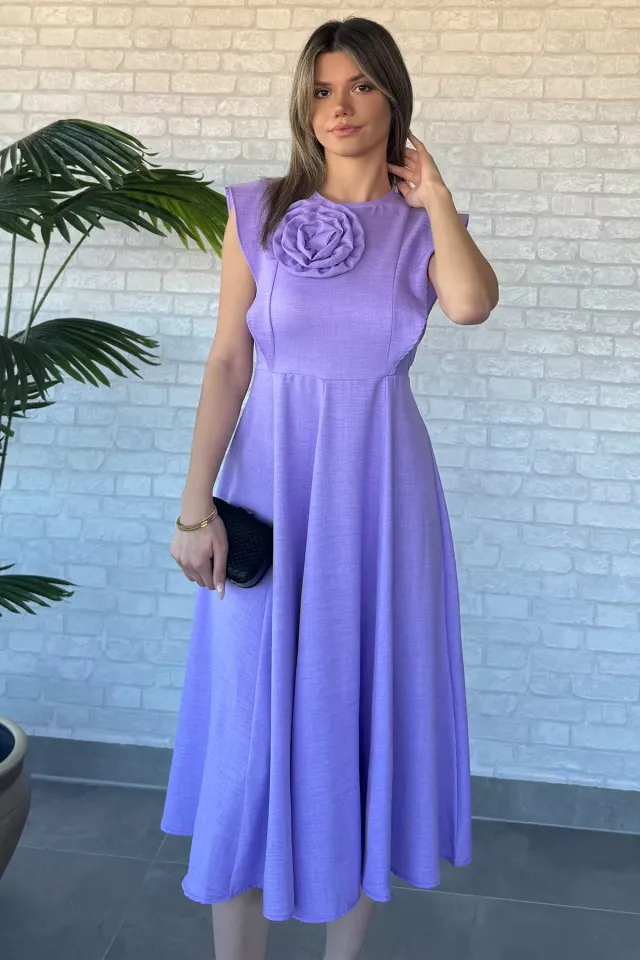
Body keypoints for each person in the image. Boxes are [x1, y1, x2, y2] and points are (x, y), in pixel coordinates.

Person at [162, 15, 498, 960]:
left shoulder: (423, 225)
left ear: (393, 97)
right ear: (302, 106)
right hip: (268, 493)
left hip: (382, 501)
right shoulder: (256, 211)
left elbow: (470, 304)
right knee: (250, 732)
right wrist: (194, 508)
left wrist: (438, 199)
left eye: (359, 86)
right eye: (320, 89)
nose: (338, 107)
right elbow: (229, 361)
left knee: (362, 719)